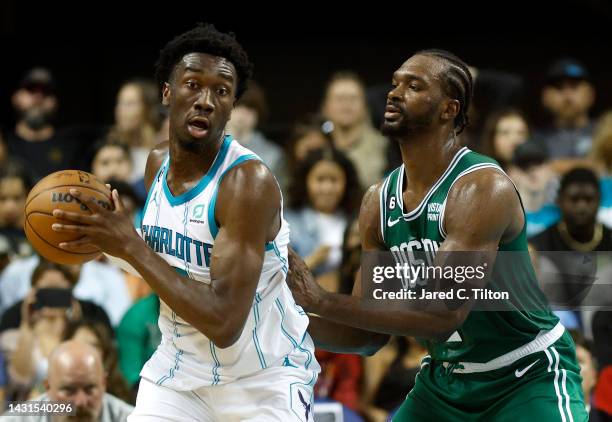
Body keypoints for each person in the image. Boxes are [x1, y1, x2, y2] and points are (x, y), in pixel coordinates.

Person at [287, 49, 587, 420]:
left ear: (449, 109)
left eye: (414, 86)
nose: (395, 93)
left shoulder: (480, 187)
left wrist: (320, 299)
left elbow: (442, 314)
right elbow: (366, 335)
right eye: (395, 84)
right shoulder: (378, 203)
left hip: (525, 376)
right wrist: (287, 316)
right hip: (447, 382)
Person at [51, 23, 319, 421]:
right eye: (193, 84)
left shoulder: (247, 182)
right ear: (167, 93)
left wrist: (130, 246)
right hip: (179, 374)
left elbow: (224, 323)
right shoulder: (157, 164)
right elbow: (161, 262)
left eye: (222, 91)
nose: (206, 100)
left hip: (262, 381)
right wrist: (101, 240)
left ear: (232, 107)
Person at [285, 148, 361, 291]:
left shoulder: (359, 221)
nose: (327, 188)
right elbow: (276, 278)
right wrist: (311, 261)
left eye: (334, 180)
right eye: (320, 180)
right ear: (305, 181)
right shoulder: (288, 222)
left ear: (347, 182)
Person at [2, 340, 134, 421]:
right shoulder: (18, 419)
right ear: (48, 386)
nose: (80, 402)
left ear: (103, 383)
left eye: (89, 389)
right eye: (69, 390)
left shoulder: (132, 419)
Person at [6, 67, 90, 181]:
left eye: (46, 92)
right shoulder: (4, 143)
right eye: (31, 90)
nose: (38, 97)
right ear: (16, 97)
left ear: (55, 102)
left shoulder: (72, 145)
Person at [321, 71, 388, 188]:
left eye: (353, 98)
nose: (347, 104)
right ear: (326, 107)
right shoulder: (316, 144)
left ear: (365, 106)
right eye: (339, 99)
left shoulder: (384, 146)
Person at [535, 58, 596, 160]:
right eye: (559, 88)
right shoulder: (533, 139)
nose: (567, 96)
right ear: (545, 97)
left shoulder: (607, 134)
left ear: (591, 94)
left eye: (574, 87)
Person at [0, 161, 34, 260]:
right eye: (2, 198)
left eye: (17, 198)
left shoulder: (43, 235)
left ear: (29, 196)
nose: (9, 207)